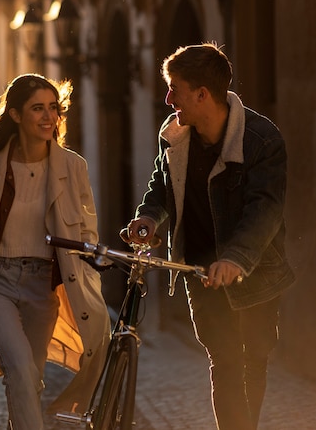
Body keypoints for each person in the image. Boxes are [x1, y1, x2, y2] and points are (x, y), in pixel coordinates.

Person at [125, 43, 295, 430]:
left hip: (256, 275)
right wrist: (149, 218)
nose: (168, 99)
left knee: (254, 362)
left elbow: (265, 210)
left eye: (176, 89)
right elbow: (162, 185)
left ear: (202, 94)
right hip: (201, 274)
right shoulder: (175, 135)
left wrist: (235, 259)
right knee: (225, 364)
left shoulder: (261, 140)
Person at [0, 73, 110, 430]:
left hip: (41, 286)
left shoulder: (73, 167)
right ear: (16, 115)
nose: (49, 116)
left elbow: (85, 232)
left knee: (29, 378)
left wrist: (88, 277)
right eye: (38, 108)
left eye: (54, 108)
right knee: (18, 367)